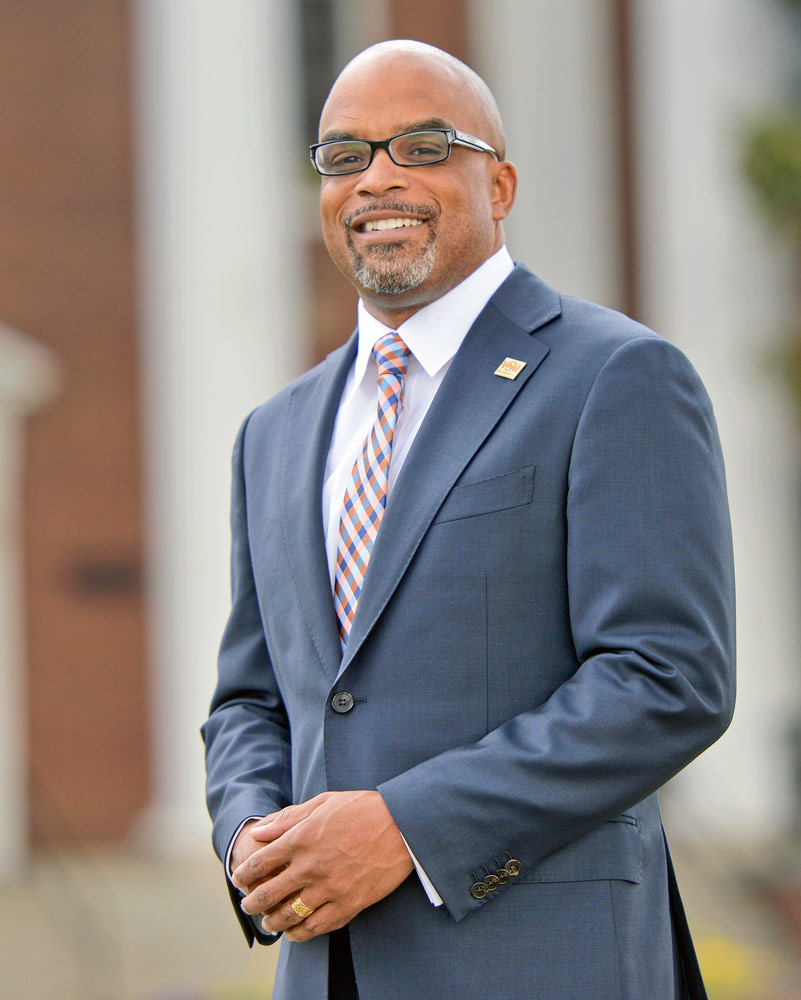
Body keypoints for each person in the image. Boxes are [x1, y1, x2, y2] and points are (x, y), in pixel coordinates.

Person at [202, 39, 735, 1000]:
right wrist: (250, 836)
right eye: (344, 155)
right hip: (329, 972)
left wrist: (405, 828)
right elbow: (250, 701)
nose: (376, 179)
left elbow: (668, 676)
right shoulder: (272, 433)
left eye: (421, 145)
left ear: (500, 184)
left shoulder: (613, 377)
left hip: (546, 963)